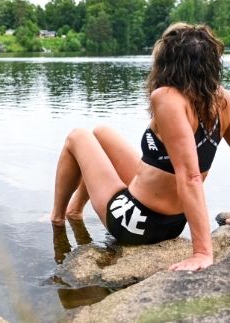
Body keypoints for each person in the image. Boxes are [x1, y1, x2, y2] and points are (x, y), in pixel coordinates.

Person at [50, 23, 227, 271]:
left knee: (77, 136)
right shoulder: (223, 99)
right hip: (173, 222)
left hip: (135, 222)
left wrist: (202, 252)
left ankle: (57, 219)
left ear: (167, 61)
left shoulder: (167, 97)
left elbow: (190, 176)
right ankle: (75, 210)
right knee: (101, 133)